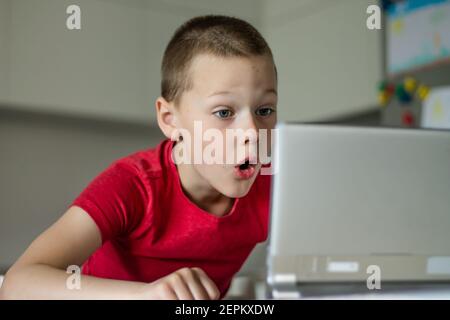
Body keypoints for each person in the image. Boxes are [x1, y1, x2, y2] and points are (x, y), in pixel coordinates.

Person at [0, 14, 277, 300]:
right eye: (224, 112)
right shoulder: (133, 186)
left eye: (265, 110)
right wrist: (146, 295)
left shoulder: (274, 185)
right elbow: (17, 283)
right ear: (170, 120)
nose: (253, 134)